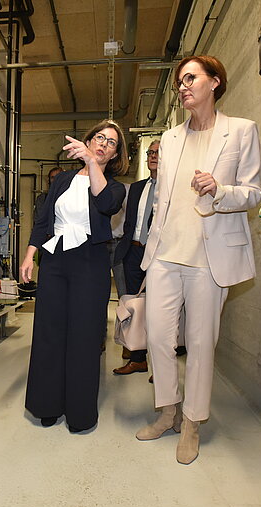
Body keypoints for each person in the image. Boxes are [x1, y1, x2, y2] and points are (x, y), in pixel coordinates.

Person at [135, 55, 261, 464]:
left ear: (214, 82)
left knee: (201, 342)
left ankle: (192, 421)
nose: (182, 86)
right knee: (157, 336)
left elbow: (255, 192)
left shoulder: (241, 130)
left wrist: (221, 190)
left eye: (190, 78)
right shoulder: (170, 139)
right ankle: (167, 410)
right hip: (165, 254)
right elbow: (163, 198)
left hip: (211, 257)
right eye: (179, 81)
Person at [21, 119, 128, 433]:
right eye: (99, 137)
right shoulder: (63, 179)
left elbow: (105, 203)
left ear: (115, 154)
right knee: (49, 331)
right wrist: (30, 254)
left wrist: (92, 163)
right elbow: (44, 219)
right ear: (89, 139)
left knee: (83, 335)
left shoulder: (114, 187)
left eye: (110, 142)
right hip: (54, 258)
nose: (102, 143)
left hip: (89, 261)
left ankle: (80, 412)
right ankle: (47, 404)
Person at [112, 140, 160, 375]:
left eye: (158, 153)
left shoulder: (172, 187)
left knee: (160, 310)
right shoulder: (137, 188)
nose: (153, 156)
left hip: (159, 255)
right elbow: (131, 222)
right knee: (135, 307)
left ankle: (161, 367)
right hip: (133, 252)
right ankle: (138, 358)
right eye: (150, 152)